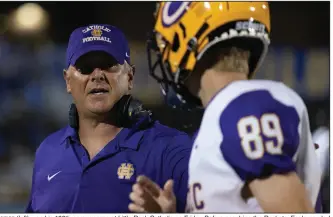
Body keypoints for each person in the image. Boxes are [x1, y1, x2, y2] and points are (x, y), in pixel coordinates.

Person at [128, 2, 321, 213]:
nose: (164, 56)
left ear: (185, 40)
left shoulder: (244, 108)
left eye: (167, 44)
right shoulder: (231, 110)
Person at [25, 24, 192, 213]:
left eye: (108, 65)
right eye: (85, 68)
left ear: (130, 77)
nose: (97, 75)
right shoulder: (48, 151)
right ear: (68, 81)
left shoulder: (172, 150)